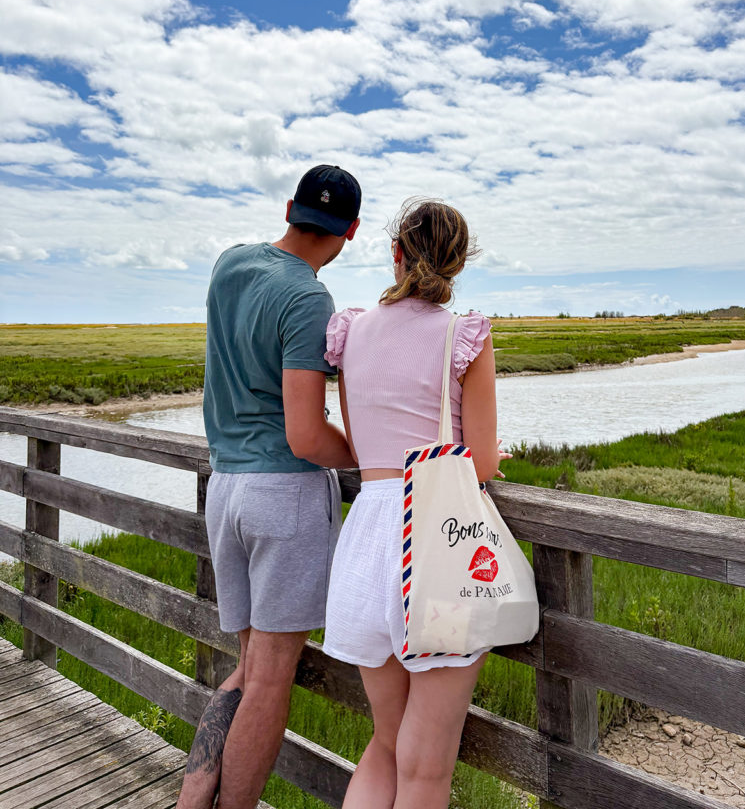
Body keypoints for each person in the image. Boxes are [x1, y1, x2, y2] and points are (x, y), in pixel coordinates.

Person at [176, 165, 361, 809]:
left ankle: (192, 798)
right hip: (282, 495)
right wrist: (369, 456)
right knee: (271, 681)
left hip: (224, 487)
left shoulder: (230, 265)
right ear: (352, 231)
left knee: (250, 667)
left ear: (290, 208)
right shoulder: (309, 299)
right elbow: (309, 437)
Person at [322, 199, 502, 809]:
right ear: (457, 264)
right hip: (435, 546)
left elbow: (360, 444)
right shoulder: (464, 334)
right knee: (425, 771)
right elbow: (481, 463)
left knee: (386, 743)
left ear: (396, 252)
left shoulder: (350, 332)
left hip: (367, 541)